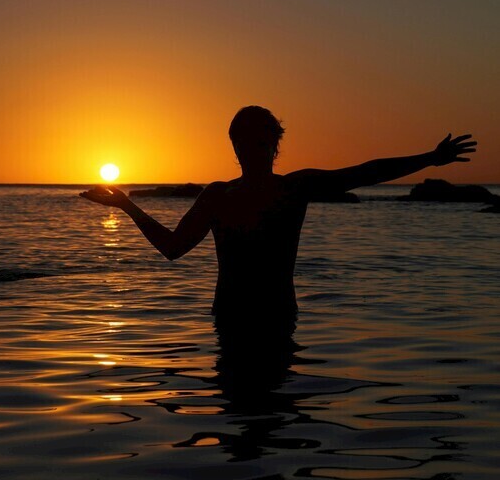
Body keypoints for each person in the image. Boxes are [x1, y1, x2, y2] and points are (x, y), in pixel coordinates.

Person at [80, 106, 477, 334]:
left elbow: (364, 172)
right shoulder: (219, 194)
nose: (251, 150)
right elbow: (173, 249)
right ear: (234, 146)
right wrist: (128, 207)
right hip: (231, 318)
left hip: (276, 317)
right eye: (243, 142)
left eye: (259, 142)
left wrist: (428, 158)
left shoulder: (291, 188)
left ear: (274, 145)